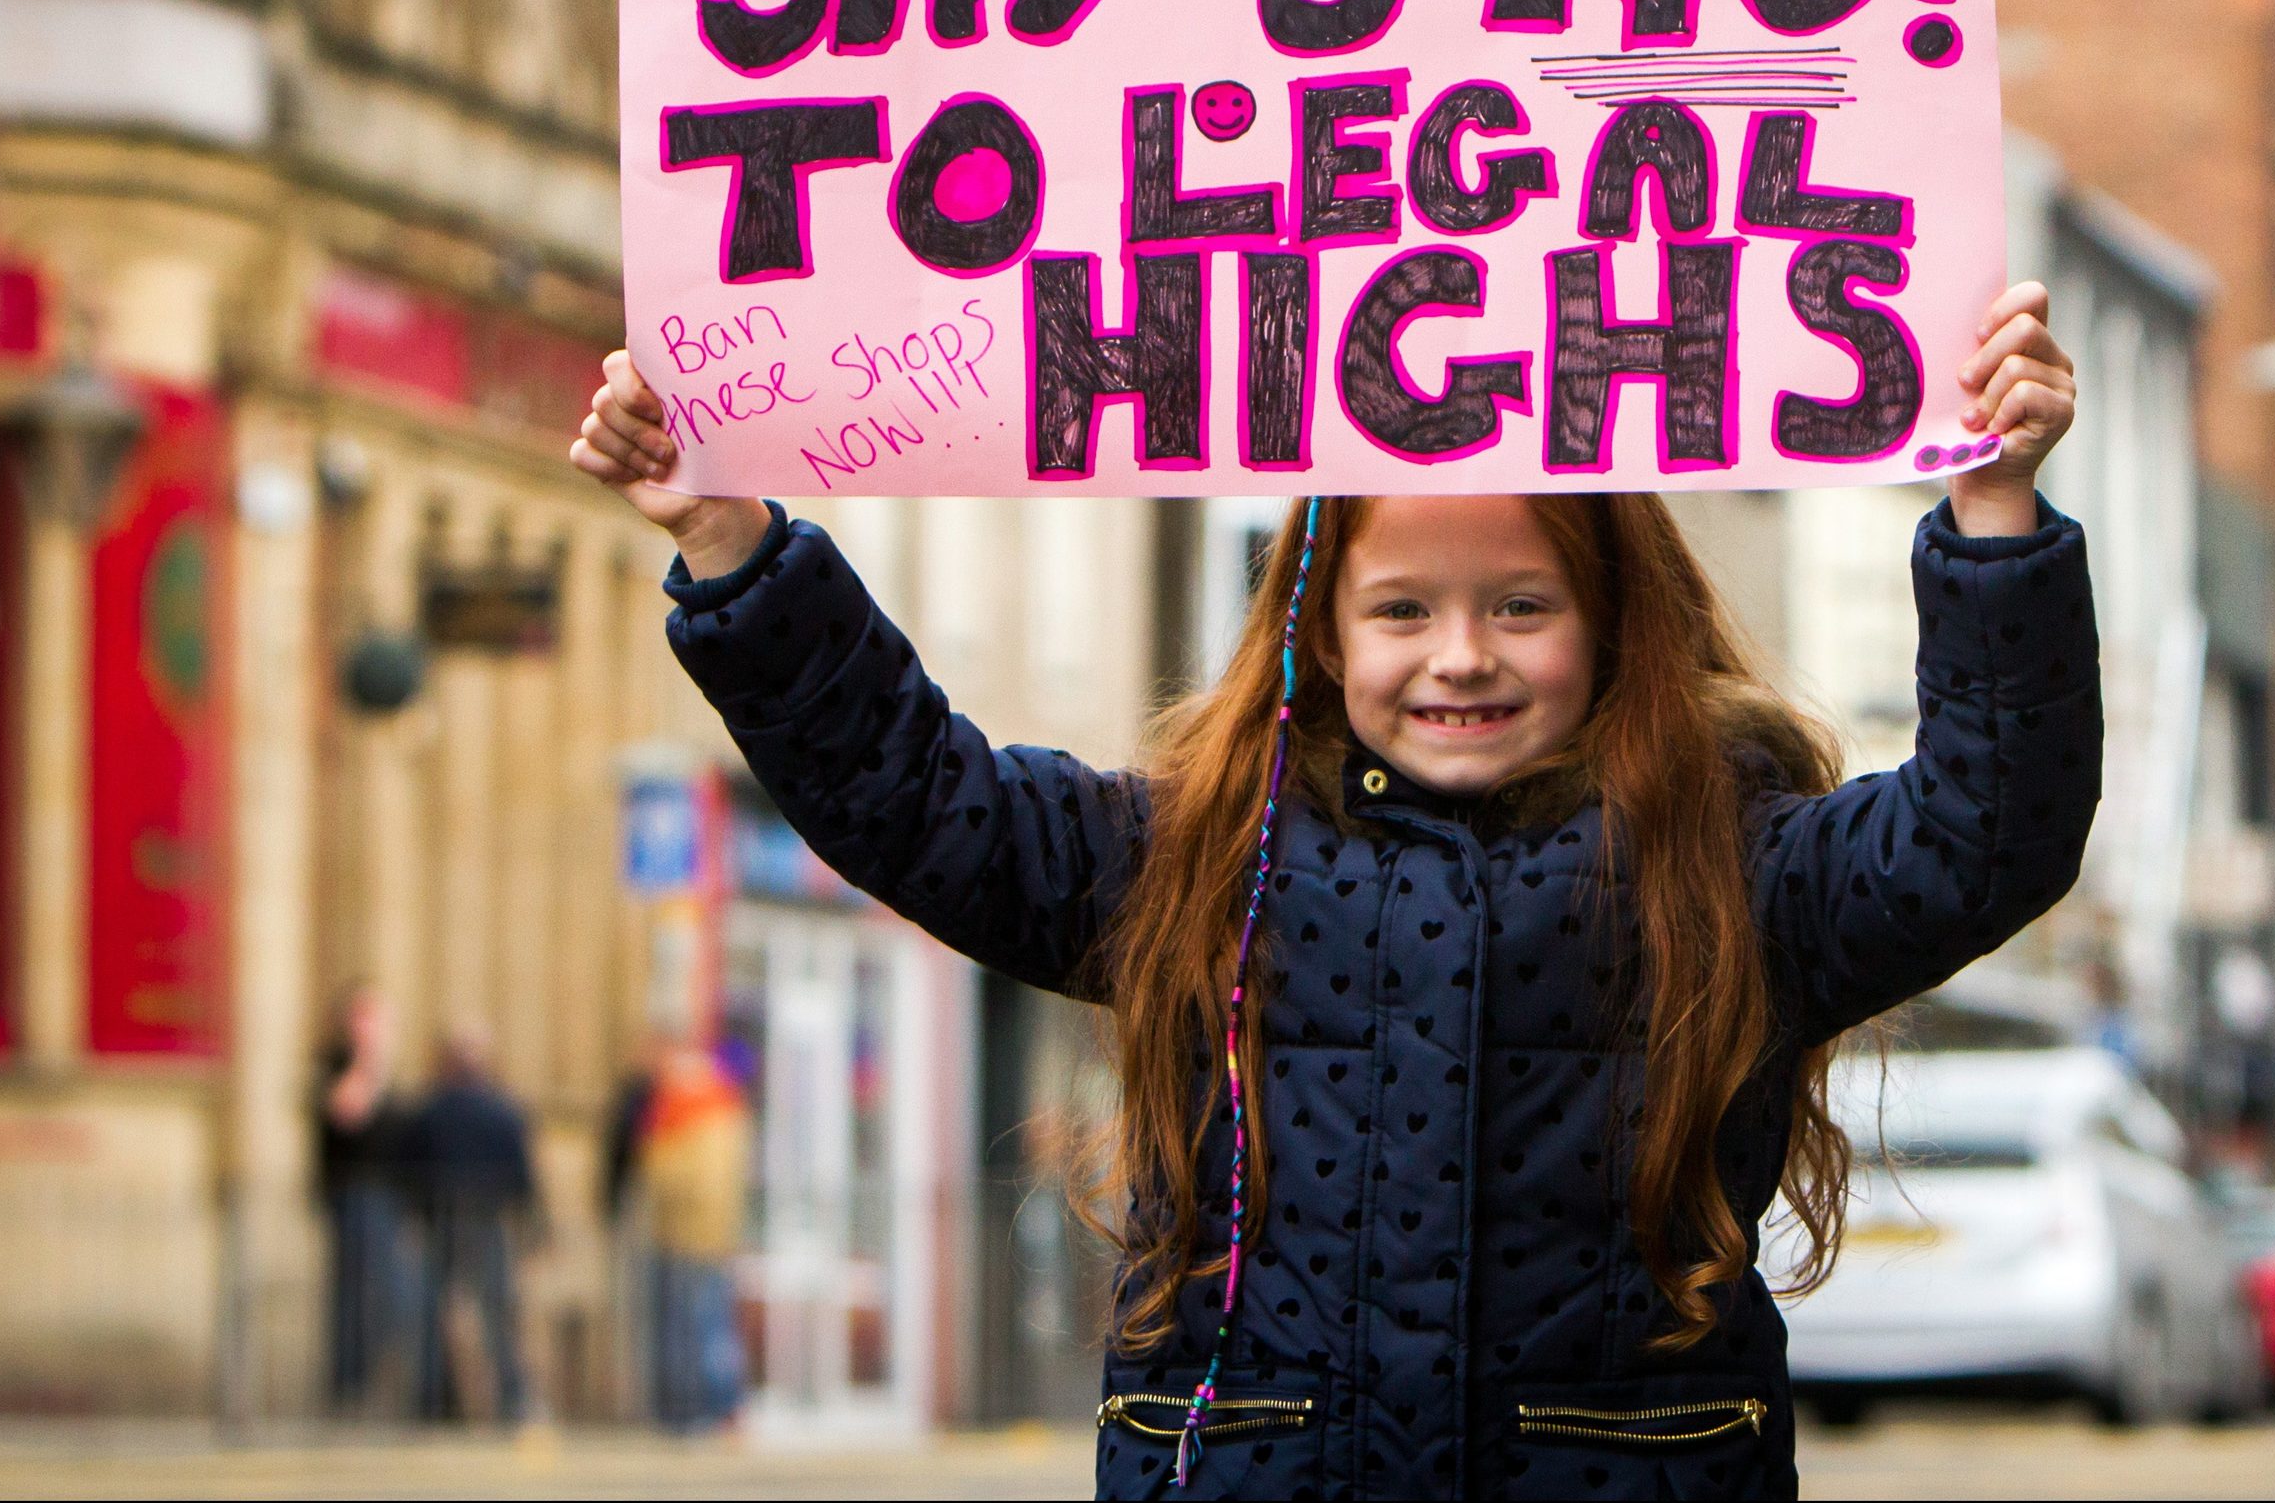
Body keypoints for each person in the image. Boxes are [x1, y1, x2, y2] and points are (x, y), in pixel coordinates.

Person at [571, 279, 2097, 1499]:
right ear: (1316, 627)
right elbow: (920, 800)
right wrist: (732, 546)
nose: (1458, 656)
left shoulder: (1733, 866)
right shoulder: (1199, 856)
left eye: (1520, 606)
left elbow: (1988, 832)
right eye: (1400, 609)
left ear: (1613, 621)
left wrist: (1994, 510)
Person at [409, 1028, 539, 1424]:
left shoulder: (432, 1110)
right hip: (481, 1220)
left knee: (458, 1310)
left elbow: (413, 1169)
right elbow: (522, 1175)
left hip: (452, 1220)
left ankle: (437, 1399)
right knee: (491, 1311)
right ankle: (505, 1398)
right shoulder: (500, 1110)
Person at [631, 1039, 750, 1430]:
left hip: (690, 1237)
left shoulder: (694, 1117)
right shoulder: (720, 1111)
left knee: (695, 1328)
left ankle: (703, 1407)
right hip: (699, 1236)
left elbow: (687, 1179)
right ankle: (708, 1406)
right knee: (701, 1325)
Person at [316, 983, 413, 1416]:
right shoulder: (340, 1064)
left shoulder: (386, 1071)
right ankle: (349, 1387)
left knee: (386, 1294)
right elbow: (347, 1111)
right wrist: (369, 1059)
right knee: (355, 1294)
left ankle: (376, 1380)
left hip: (387, 1196)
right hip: (354, 1193)